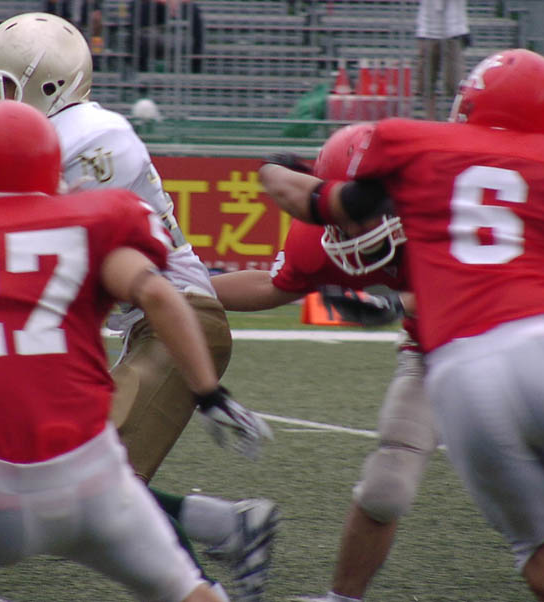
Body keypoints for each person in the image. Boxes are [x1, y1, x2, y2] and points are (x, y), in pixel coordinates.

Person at [260, 49, 544, 602]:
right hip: (537, 344)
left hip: (456, 374)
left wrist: (271, 170)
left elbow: (316, 200)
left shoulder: (417, 151)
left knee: (538, 544)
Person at [0, 98, 250, 602]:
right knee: (186, 590)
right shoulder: (96, 220)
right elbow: (158, 294)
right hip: (95, 486)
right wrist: (209, 392)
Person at [0, 12, 277, 601]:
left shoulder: (93, 137)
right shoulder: (55, 136)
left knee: (95, 491)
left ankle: (205, 581)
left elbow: (46, 253)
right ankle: (225, 527)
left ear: (48, 86)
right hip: (148, 325)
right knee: (71, 485)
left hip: (179, 321)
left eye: (0, 87)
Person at [214, 124, 443, 602]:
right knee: (385, 489)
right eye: (342, 211)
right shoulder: (317, 236)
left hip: (509, 345)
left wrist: (400, 303)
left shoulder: (447, 206)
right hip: (432, 354)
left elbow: (486, 288)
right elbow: (273, 286)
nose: (352, 229)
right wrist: (174, 292)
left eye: (361, 209)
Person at [415, 0, 468, 121]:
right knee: (426, 82)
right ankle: (430, 119)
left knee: (455, 83)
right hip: (427, 31)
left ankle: (455, 118)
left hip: (454, 31)